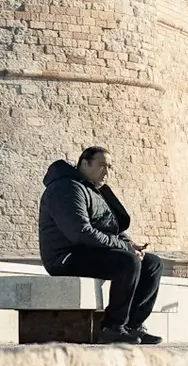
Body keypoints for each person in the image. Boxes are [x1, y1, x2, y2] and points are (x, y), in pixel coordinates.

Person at [38, 146, 164, 343]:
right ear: (84, 164)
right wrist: (125, 248)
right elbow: (80, 233)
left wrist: (130, 244)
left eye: (110, 167)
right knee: (127, 262)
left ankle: (132, 326)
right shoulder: (65, 188)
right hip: (66, 257)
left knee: (153, 263)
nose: (107, 172)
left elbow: (110, 227)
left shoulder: (92, 190)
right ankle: (113, 327)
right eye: (102, 165)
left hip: (89, 252)